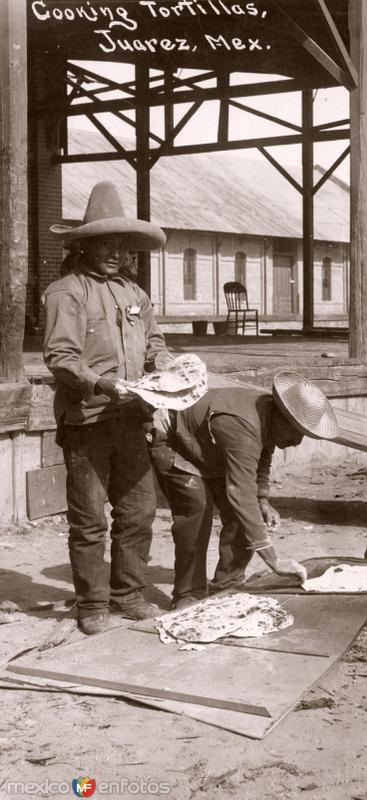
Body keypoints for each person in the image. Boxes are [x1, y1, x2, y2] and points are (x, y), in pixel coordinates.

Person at [43, 181, 170, 635]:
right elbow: (60, 358)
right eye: (106, 244)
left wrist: (166, 362)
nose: (115, 252)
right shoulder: (67, 292)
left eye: (122, 244)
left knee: (138, 511)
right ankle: (92, 604)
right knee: (90, 518)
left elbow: (154, 342)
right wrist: (100, 384)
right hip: (88, 421)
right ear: (86, 246)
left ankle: (129, 594)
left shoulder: (134, 293)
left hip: (132, 418)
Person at [148, 371, 340, 608]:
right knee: (197, 508)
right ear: (281, 416)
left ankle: (226, 584)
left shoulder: (269, 415)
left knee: (248, 515)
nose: (298, 441)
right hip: (175, 441)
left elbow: (263, 458)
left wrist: (262, 499)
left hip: (210, 450)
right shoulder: (243, 424)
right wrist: (274, 560)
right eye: (297, 432)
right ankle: (188, 592)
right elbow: (240, 492)